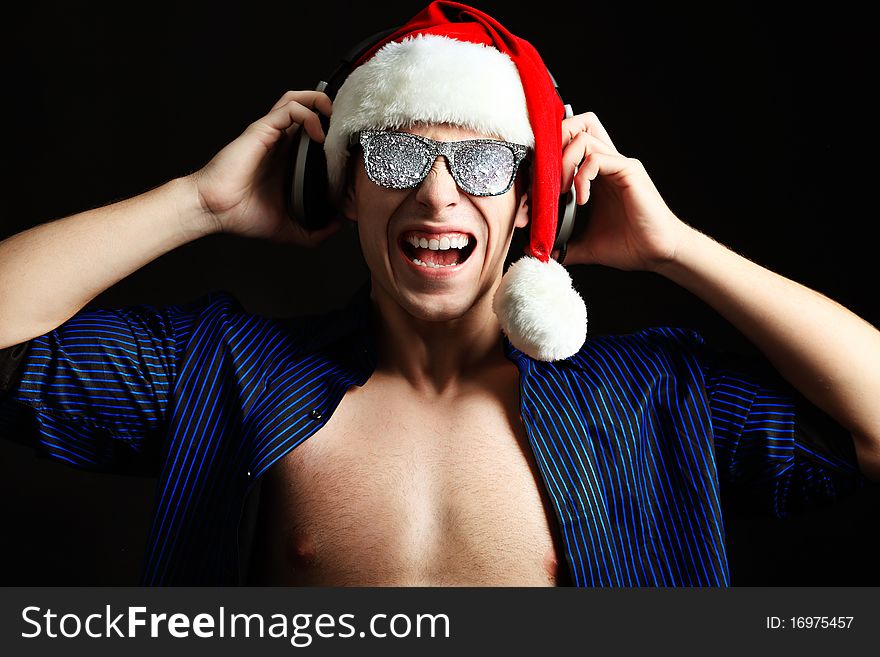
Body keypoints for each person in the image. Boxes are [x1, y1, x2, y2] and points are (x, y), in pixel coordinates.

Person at [1, 0, 878, 587]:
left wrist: (678, 249)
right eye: (393, 153)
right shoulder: (226, 374)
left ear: (537, 201)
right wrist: (198, 202)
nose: (436, 192)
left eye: (486, 160)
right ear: (343, 188)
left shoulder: (651, 398)